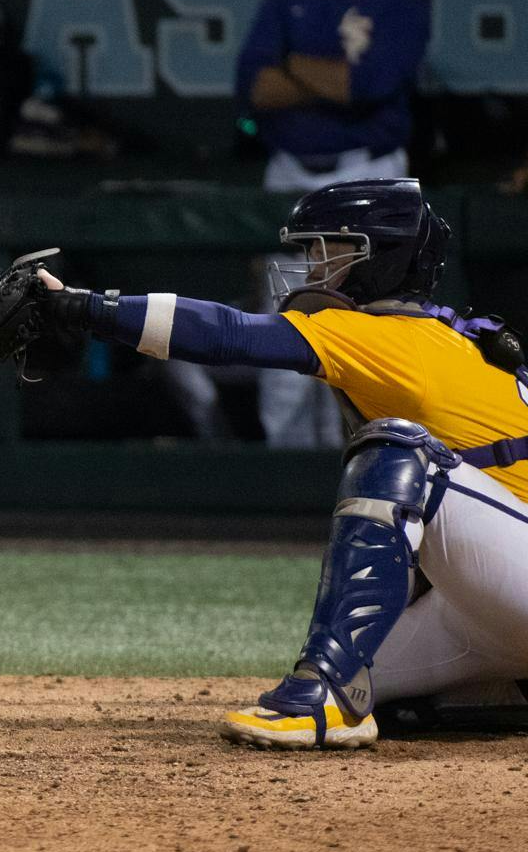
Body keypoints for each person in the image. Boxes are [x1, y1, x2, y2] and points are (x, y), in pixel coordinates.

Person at [26, 179, 528, 749]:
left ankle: (327, 704)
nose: (313, 267)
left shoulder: (386, 334)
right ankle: (498, 685)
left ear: (382, 261)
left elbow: (230, 334)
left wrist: (85, 306)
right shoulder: (441, 338)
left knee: (400, 449)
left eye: (330, 251)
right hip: (493, 606)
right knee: (381, 684)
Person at [236, 0, 429, 449]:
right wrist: (328, 76)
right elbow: (254, 86)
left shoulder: (399, 2)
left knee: (368, 329)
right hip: (294, 173)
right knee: (288, 327)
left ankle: (369, 471)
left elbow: (368, 85)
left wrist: (293, 63)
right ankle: (283, 487)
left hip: (367, 171)